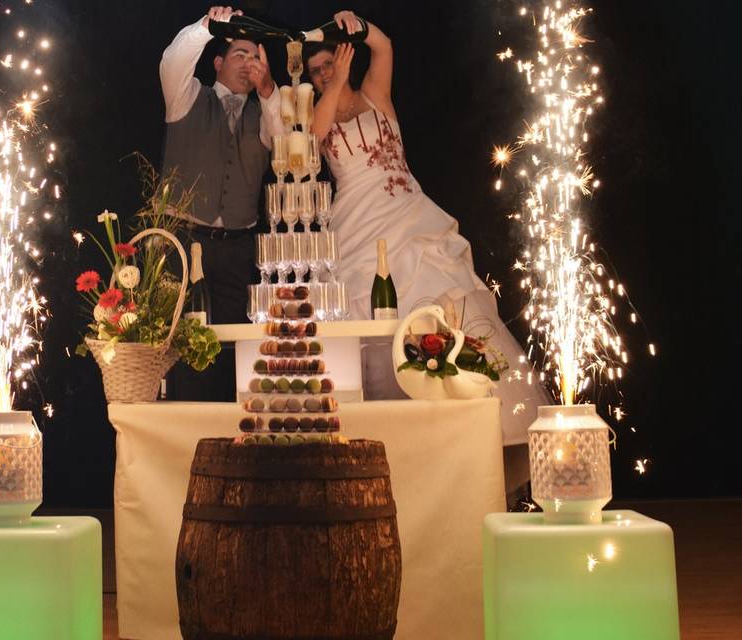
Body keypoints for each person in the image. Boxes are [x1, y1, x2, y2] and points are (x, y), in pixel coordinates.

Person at [306, 11, 547, 445]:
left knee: (443, 295)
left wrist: (357, 26)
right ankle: (386, 434)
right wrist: (336, 80)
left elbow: (384, 46)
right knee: (362, 309)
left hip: (406, 211)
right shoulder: (320, 114)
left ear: (344, 58)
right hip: (355, 222)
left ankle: (464, 423)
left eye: (330, 63)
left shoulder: (376, 95)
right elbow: (313, 134)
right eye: (317, 70)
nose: (325, 73)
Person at [160, 6, 285, 400]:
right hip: (182, 242)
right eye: (239, 54)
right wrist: (205, 26)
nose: (249, 63)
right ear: (217, 63)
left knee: (232, 349)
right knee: (177, 345)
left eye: (255, 57)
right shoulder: (187, 98)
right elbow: (172, 61)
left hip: (237, 248)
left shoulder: (262, 113)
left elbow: (285, 142)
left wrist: (268, 91)